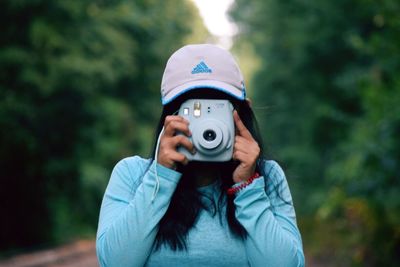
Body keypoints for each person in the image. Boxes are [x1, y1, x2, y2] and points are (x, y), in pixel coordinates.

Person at [96, 44, 305, 267]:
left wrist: (248, 187)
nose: (207, 127)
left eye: (216, 108)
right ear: (169, 116)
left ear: (243, 112)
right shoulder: (132, 173)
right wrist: (161, 176)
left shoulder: (266, 177)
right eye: (194, 109)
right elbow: (114, 263)